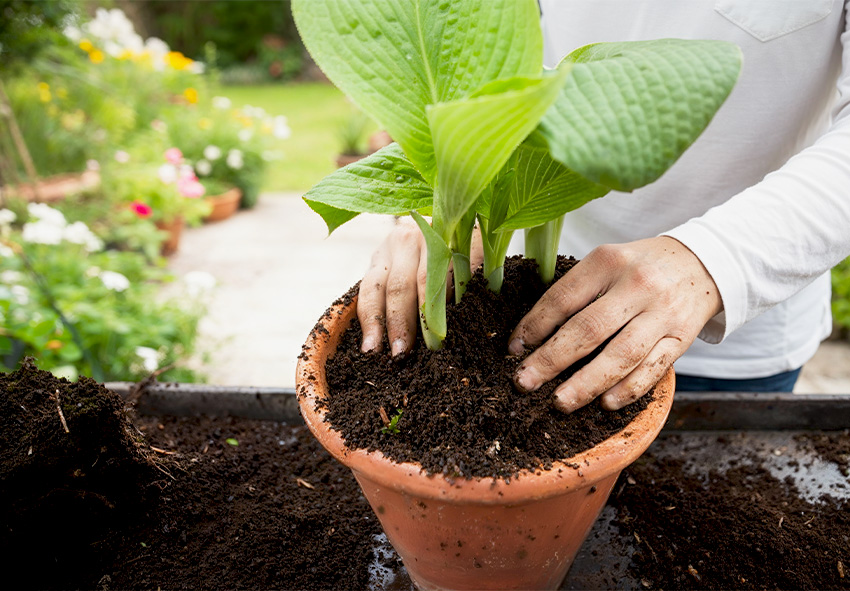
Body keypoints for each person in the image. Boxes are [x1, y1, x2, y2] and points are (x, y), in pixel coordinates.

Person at [356, 0, 850, 414]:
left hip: (732, 314)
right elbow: (478, 53)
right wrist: (457, 210)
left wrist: (716, 257)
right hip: (531, 284)